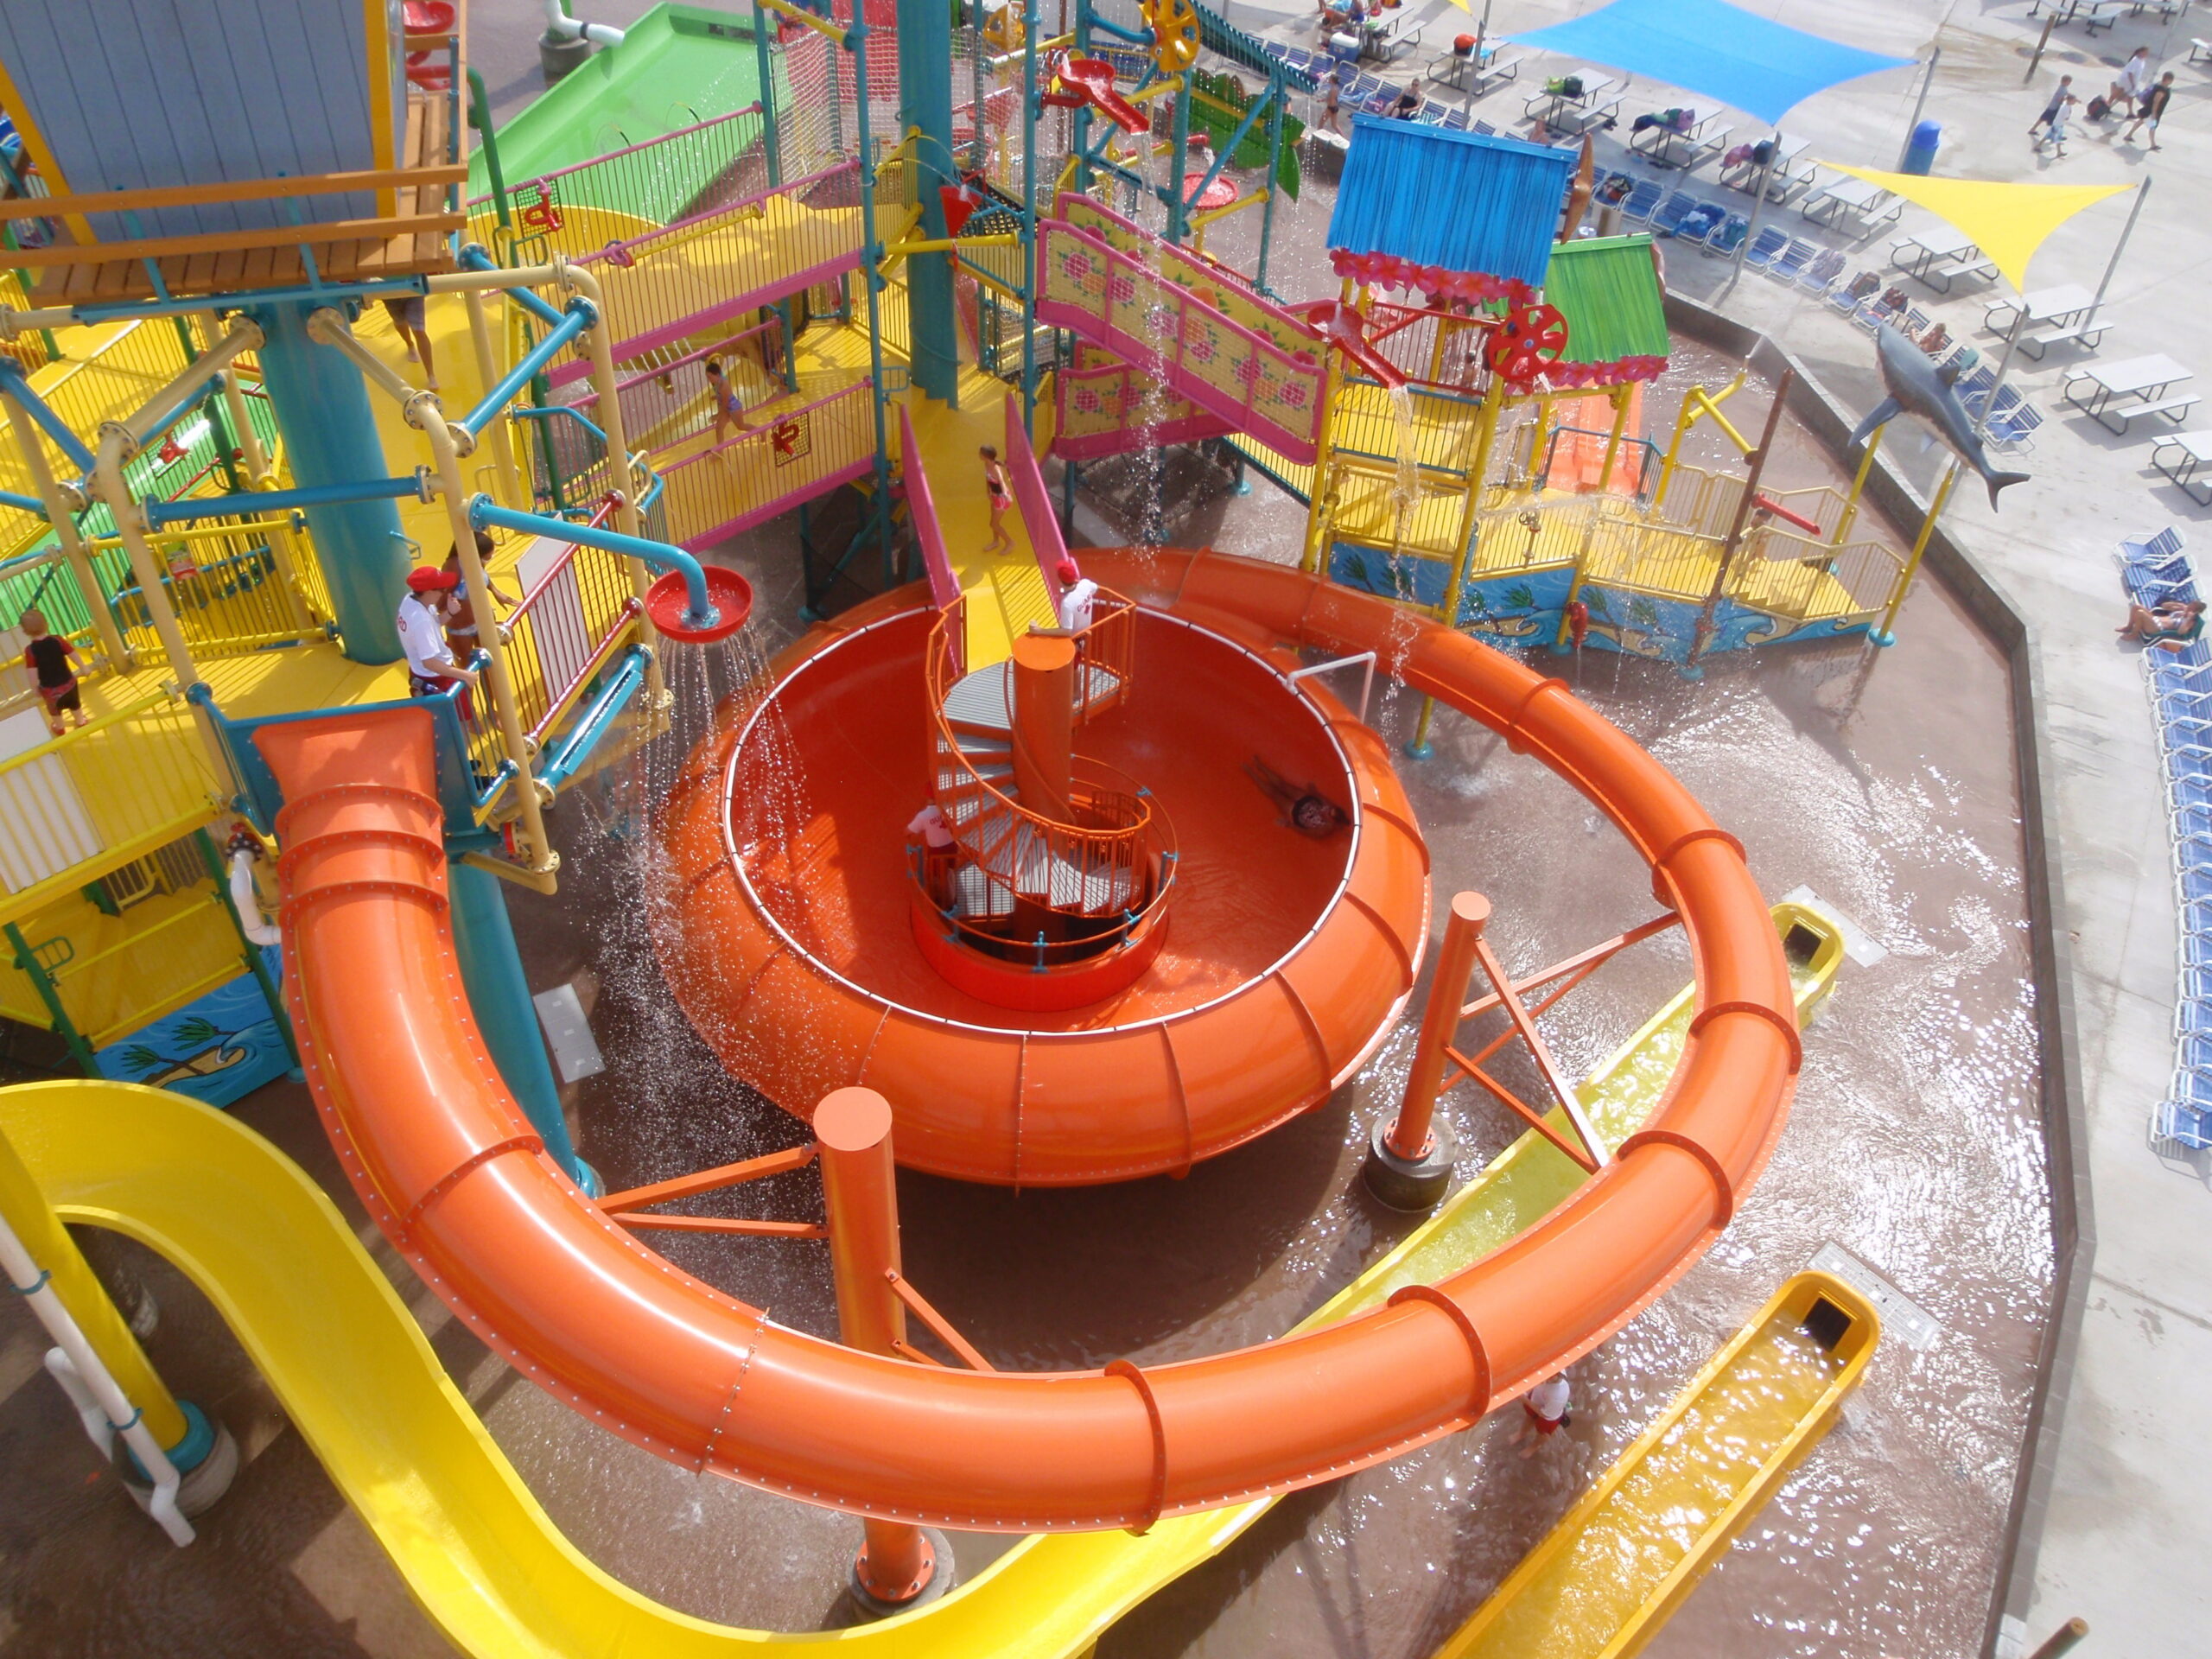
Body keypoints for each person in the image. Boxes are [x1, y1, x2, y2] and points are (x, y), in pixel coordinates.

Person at [397, 565, 480, 708]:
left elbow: (432, 626)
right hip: (438, 677)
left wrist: (450, 612)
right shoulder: (421, 620)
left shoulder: (410, 600)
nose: (444, 592)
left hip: (422, 672)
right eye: (442, 589)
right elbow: (430, 663)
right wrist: (465, 675)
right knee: (461, 715)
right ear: (428, 592)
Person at [441, 531, 522, 663]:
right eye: (486, 558)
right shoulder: (453, 569)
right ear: (473, 554)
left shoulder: (474, 562)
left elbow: (483, 576)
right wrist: (456, 606)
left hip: (483, 622)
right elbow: (439, 603)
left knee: (491, 665)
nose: (486, 562)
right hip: (462, 629)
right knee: (467, 668)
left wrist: (496, 591)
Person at [18, 608, 85, 737]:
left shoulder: (30, 650)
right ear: (47, 624)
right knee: (75, 703)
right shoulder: (57, 640)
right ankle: (80, 721)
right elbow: (72, 653)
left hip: (50, 690)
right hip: (69, 683)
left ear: (25, 632)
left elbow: (31, 672)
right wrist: (83, 667)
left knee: (55, 710)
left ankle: (59, 727)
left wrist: (35, 688)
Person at [1246, 757, 1349, 837]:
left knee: (1274, 794)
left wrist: (1290, 825)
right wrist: (1315, 793)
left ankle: (1252, 774)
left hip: (1298, 815)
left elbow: (1308, 833)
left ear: (1331, 821)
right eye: (1329, 810)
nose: (1325, 812)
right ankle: (1260, 766)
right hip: (1308, 801)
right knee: (1282, 784)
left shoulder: (1325, 829)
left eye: (1328, 814)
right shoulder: (1332, 809)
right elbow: (1323, 801)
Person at [381, 294, 437, 391]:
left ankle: (431, 375)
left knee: (419, 330)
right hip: (389, 294)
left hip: (413, 291)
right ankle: (410, 344)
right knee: (399, 321)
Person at [705, 358, 752, 455]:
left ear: (717, 375)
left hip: (734, 408)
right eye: (707, 377)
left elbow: (725, 402)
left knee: (741, 426)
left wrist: (718, 415)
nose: (709, 379)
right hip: (727, 409)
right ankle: (720, 452)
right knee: (719, 428)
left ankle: (760, 431)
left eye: (710, 377)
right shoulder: (717, 383)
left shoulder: (723, 385)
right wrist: (716, 397)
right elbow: (723, 396)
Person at [2119, 596, 2206, 648]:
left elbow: (2180, 632)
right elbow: (2164, 606)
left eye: (2191, 608)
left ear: (2196, 612)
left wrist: (2187, 619)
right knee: (2136, 607)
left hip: (2157, 627)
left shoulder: (2190, 622)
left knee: (2140, 613)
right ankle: (2129, 627)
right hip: (2154, 618)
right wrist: (2178, 605)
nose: (2189, 607)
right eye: (2190, 605)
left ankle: (2134, 635)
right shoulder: (2181, 611)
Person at [2125, 71, 2174, 149]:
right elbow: (2156, 101)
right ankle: (2152, 144)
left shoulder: (2159, 86)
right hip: (2153, 111)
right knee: (2152, 127)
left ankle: (2129, 135)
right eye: (2171, 80)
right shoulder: (2162, 90)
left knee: (2142, 121)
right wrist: (2154, 113)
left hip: (2149, 109)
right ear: (2168, 79)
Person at [980, 445, 1014, 554]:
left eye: (981, 454)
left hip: (1001, 499)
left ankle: (1010, 542)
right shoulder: (987, 464)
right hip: (994, 496)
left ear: (986, 456)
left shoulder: (996, 469)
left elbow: (1001, 482)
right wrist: (988, 491)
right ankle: (996, 541)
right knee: (993, 521)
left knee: (994, 524)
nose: (979, 455)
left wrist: (1005, 494)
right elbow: (987, 479)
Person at [1522, 1373, 1572, 1445]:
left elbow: (1544, 1415)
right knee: (1530, 1416)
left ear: (1559, 1375)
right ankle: (1522, 1433)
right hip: (1537, 1398)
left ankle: (1533, 1447)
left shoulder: (1558, 1397)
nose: (1545, 1377)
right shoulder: (1546, 1375)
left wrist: (1525, 1400)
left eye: (1551, 1376)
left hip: (1549, 1418)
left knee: (1542, 1433)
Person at [1055, 557, 1098, 632]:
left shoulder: (1067, 603)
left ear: (1060, 581)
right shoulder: (1085, 583)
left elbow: (1066, 630)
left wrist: (1040, 630)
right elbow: (1095, 587)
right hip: (1086, 633)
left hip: (1074, 637)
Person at [2037, 84, 2080, 156]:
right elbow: (2066, 118)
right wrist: (2069, 113)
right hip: (2058, 125)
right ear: (2070, 100)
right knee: (2057, 138)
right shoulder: (2066, 108)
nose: (2075, 102)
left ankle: (2040, 146)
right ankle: (2058, 152)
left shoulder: (2065, 104)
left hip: (2056, 123)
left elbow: (2066, 99)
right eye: (2074, 101)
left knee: (2049, 136)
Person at [2029, 73, 2074, 141]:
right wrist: (2066, 102)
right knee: (2057, 121)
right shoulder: (2062, 89)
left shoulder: (2063, 88)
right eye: (2069, 82)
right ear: (2065, 81)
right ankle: (2056, 135)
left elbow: (2065, 94)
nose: (2069, 83)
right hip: (2054, 108)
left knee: (2043, 118)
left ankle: (2033, 129)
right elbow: (2059, 99)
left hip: (2052, 106)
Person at [2110, 46, 2152, 116]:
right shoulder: (2135, 61)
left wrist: (2134, 83)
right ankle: (2107, 105)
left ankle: (2130, 113)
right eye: (2145, 53)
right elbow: (2130, 73)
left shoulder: (2142, 61)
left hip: (2132, 82)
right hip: (2126, 81)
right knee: (2116, 94)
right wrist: (2132, 83)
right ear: (2140, 52)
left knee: (2131, 97)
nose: (2146, 54)